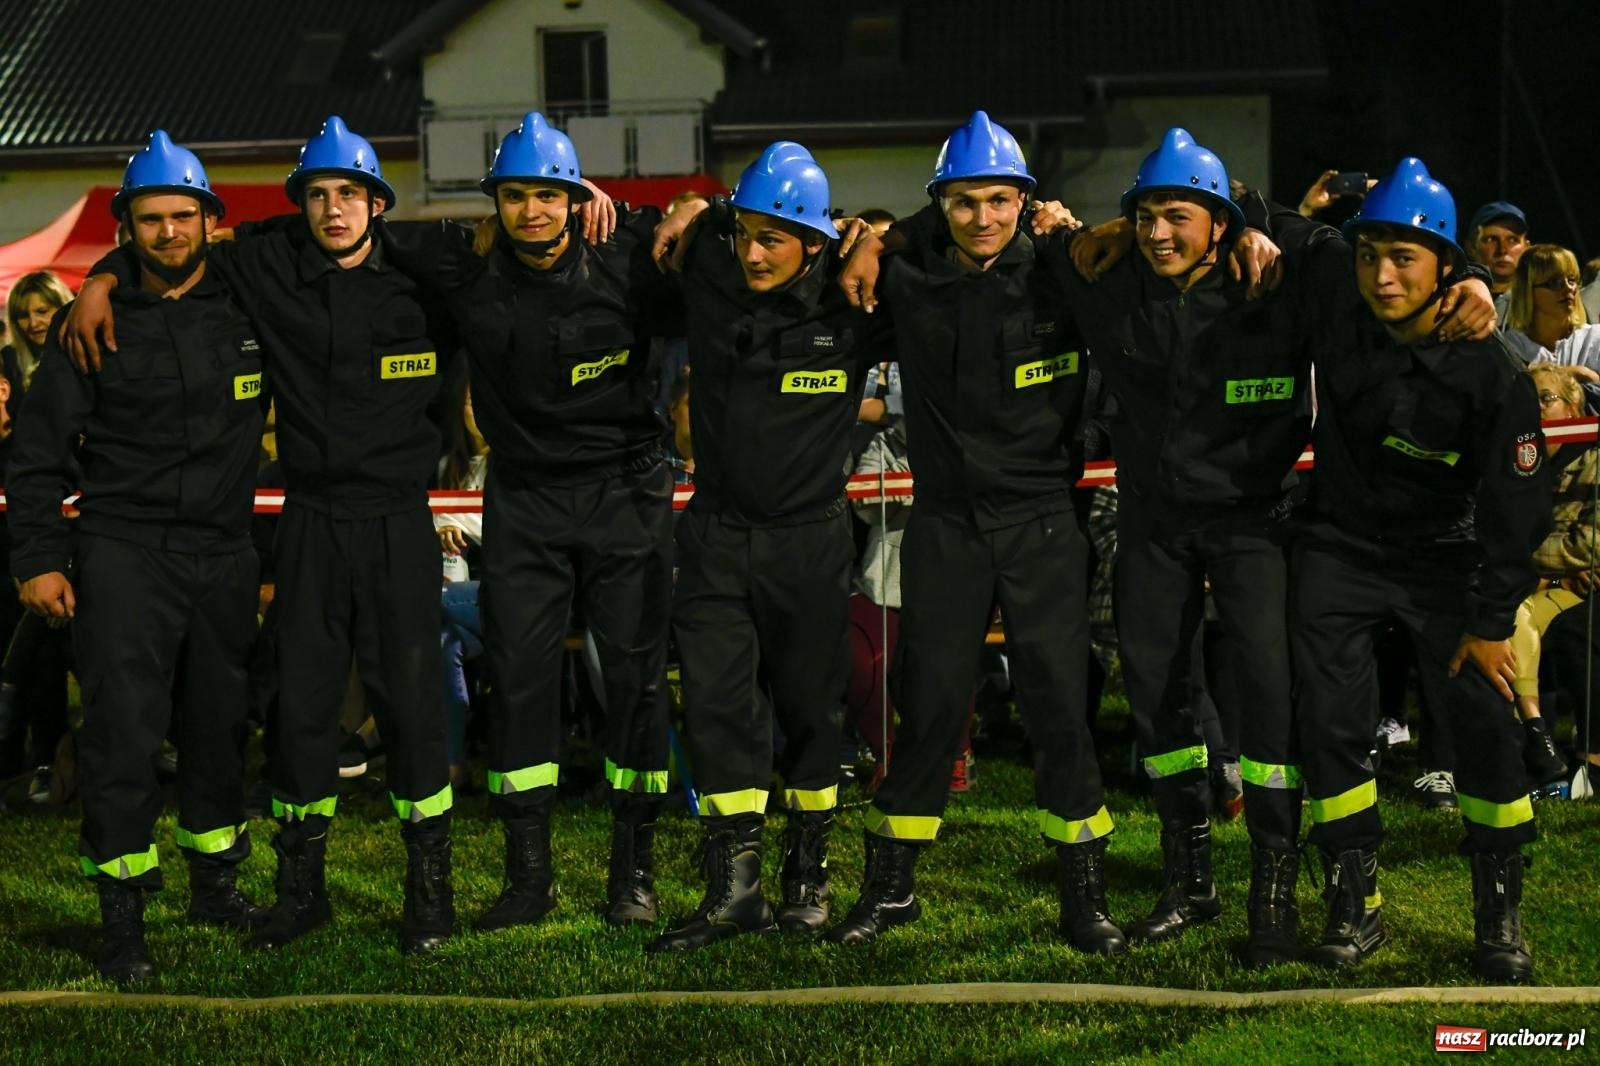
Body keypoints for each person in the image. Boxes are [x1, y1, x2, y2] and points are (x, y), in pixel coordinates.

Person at [65, 116, 458, 956]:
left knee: (416, 707)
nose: (333, 209)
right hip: (311, 521)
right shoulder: (264, 265)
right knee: (300, 711)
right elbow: (163, 246)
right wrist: (98, 279)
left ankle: (430, 893)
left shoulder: (433, 277)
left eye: (348, 193)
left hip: (398, 519)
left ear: (378, 202)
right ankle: (299, 892)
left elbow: (520, 253)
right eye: (317, 195)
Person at [823, 111, 1123, 955]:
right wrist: (881, 238)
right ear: (941, 207)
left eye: (999, 201)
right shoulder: (910, 280)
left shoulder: (1065, 273)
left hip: (1043, 527)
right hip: (948, 526)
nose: (982, 219)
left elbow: (1128, 353)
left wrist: (1080, 449)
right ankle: (891, 889)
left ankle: (1082, 893)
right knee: (930, 708)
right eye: (962, 203)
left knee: (1062, 708)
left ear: (1026, 202)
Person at [376, 113, 681, 932]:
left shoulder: (632, 255)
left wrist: (691, 209)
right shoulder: (464, 262)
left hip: (627, 492)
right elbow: (348, 235)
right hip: (525, 499)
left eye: (549, 194)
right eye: (516, 196)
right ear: (496, 204)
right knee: (517, 683)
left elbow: (743, 232)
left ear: (580, 199)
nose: (532, 210)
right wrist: (108, 276)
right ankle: (527, 880)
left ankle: (633, 873)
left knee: (637, 685)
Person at [8, 131, 268, 984]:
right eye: (150, 220)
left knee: (218, 726)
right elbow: (38, 456)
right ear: (128, 226)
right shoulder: (94, 327)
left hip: (225, 554)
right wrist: (40, 559)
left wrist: (100, 277)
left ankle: (214, 885)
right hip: (126, 554)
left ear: (209, 221)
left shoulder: (247, 302)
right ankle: (122, 917)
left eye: (182, 217)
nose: (168, 234)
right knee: (123, 736)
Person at [1289, 158, 1547, 982]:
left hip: (1447, 560)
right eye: (1372, 255)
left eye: (1405, 258)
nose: (1382, 274)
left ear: (1444, 267)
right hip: (1338, 549)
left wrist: (1489, 620)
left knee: (1484, 730)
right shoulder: (1338, 288)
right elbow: (1272, 224)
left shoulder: (1493, 368)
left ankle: (1498, 915)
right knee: (1330, 726)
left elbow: (1516, 509)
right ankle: (1351, 904)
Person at [635, 143, 889, 952]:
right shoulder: (713, 262)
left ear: (816, 241)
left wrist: (889, 239)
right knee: (716, 712)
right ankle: (733, 892)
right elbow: (631, 226)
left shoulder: (859, 298)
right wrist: (693, 202)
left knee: (814, 716)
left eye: (772, 238)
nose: (751, 252)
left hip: (809, 542)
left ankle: (806, 878)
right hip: (712, 537)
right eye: (744, 232)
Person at [1507, 364, 1589, 786]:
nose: (1536, 409)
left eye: (1547, 398)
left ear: (1575, 408)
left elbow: (1590, 544)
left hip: (1577, 590)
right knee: (1513, 616)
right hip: (1541, 587)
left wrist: (1527, 566)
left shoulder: (1594, 456)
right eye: (1529, 400)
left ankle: (1542, 741)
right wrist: (1541, 574)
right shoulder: (1516, 460)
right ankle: (1536, 734)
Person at [1501, 244, 1600, 371]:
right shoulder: (1509, 348)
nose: (1568, 288)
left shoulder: (1595, 338)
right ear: (1527, 291)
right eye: (1554, 282)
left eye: (1571, 280)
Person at [1464, 201, 1529, 324]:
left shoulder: (1545, 301)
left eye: (1512, 240)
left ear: (1527, 247)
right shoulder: (1453, 300)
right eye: (1491, 239)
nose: (1502, 250)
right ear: (1471, 248)